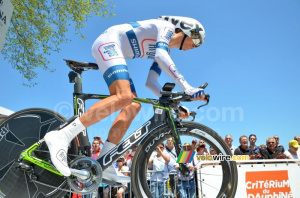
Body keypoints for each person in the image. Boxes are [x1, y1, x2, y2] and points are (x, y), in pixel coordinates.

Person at [43, 15, 206, 181]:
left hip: (115, 48)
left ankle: (103, 162)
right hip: (108, 42)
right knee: (124, 96)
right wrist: (187, 87)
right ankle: (62, 136)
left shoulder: (165, 49)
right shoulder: (166, 28)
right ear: (187, 30)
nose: (196, 46)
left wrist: (175, 106)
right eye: (197, 40)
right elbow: (161, 55)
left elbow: (151, 82)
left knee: (133, 106)